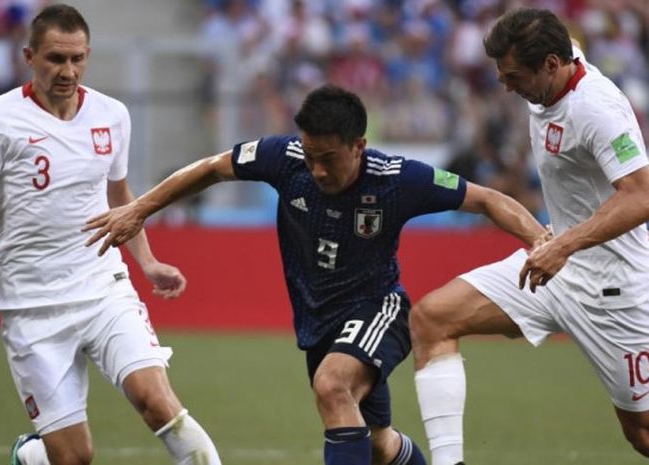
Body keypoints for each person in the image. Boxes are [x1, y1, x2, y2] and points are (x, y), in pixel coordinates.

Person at [83, 83, 546, 465]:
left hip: (379, 308)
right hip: (318, 322)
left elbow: (485, 199)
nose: (317, 168)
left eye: (328, 157)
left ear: (359, 146)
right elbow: (211, 168)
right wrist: (141, 208)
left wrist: (540, 242)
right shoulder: (283, 158)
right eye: (309, 155)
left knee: (333, 384)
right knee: (379, 444)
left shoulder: (398, 178)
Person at [0, 5, 222, 465]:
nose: (68, 71)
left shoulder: (112, 115)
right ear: (29, 56)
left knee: (159, 405)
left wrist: (148, 262)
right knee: (75, 457)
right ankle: (32, 456)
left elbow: (122, 200)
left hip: (103, 289)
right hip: (31, 306)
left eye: (77, 59)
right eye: (56, 58)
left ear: (88, 55)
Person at [409, 7, 649, 465]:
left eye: (513, 75)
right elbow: (536, 27)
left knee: (641, 433)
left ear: (552, 66)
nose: (506, 85)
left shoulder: (596, 108)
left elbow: (641, 195)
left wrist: (563, 244)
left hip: (613, 289)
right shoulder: (552, 65)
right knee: (433, 318)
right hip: (552, 269)